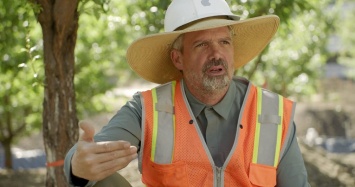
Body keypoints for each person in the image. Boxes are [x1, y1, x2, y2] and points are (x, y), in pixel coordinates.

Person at [64, 0, 310, 186]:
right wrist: (78, 165)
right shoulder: (146, 109)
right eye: (202, 44)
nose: (216, 54)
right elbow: (93, 151)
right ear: (178, 58)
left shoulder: (274, 113)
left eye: (224, 42)